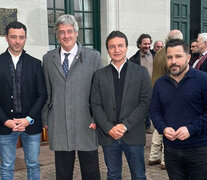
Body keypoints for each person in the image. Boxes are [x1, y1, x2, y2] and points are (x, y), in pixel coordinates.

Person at [42, 14, 102, 180]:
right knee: (62, 172)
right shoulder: (48, 59)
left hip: (86, 122)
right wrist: (46, 119)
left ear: (76, 33)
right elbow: (47, 92)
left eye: (69, 31)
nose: (66, 35)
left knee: (90, 170)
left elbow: (99, 92)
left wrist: (97, 118)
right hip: (59, 122)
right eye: (62, 32)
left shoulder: (93, 57)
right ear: (57, 35)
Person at [91, 30, 152, 180]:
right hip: (108, 135)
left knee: (138, 175)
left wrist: (124, 126)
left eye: (120, 46)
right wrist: (108, 128)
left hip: (133, 133)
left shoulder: (141, 72)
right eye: (112, 47)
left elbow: (145, 103)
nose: (116, 50)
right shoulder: (99, 75)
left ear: (126, 47)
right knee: (113, 175)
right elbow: (95, 104)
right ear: (107, 50)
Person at [150, 38, 207, 180]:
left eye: (178, 56)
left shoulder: (203, 80)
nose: (173, 61)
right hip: (171, 150)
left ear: (188, 57)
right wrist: (163, 128)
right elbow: (155, 112)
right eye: (169, 57)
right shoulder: (160, 84)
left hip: (199, 150)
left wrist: (190, 129)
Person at [0, 21, 47, 179]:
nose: (17, 41)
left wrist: (28, 119)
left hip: (31, 125)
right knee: (6, 166)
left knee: (33, 164)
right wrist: (5, 120)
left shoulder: (35, 64)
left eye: (21, 37)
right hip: (5, 125)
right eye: (13, 37)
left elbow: (42, 94)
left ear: (25, 38)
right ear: (7, 38)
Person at [149, 29, 183, 170]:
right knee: (168, 125)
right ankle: (164, 160)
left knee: (159, 126)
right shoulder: (170, 54)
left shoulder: (158, 52)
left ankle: (153, 156)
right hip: (167, 91)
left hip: (156, 89)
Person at [129, 33, 155, 134]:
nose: (147, 46)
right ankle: (147, 126)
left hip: (155, 86)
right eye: (145, 44)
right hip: (141, 87)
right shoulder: (133, 59)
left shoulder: (155, 55)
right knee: (145, 106)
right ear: (139, 44)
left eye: (149, 44)